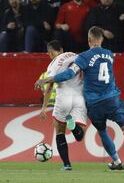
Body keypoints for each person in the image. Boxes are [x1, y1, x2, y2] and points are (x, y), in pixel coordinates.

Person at [35, 26, 124, 171]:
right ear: (102, 39)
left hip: (94, 103)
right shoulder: (109, 55)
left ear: (89, 40)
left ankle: (116, 161)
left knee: (102, 132)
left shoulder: (84, 57)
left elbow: (69, 74)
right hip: (112, 98)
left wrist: (48, 79)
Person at [35, 40, 87, 171]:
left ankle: (67, 165)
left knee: (59, 131)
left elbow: (50, 86)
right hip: (79, 97)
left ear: (51, 52)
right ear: (62, 49)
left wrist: (43, 108)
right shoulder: (74, 55)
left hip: (63, 98)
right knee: (80, 136)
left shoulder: (53, 65)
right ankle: (73, 125)